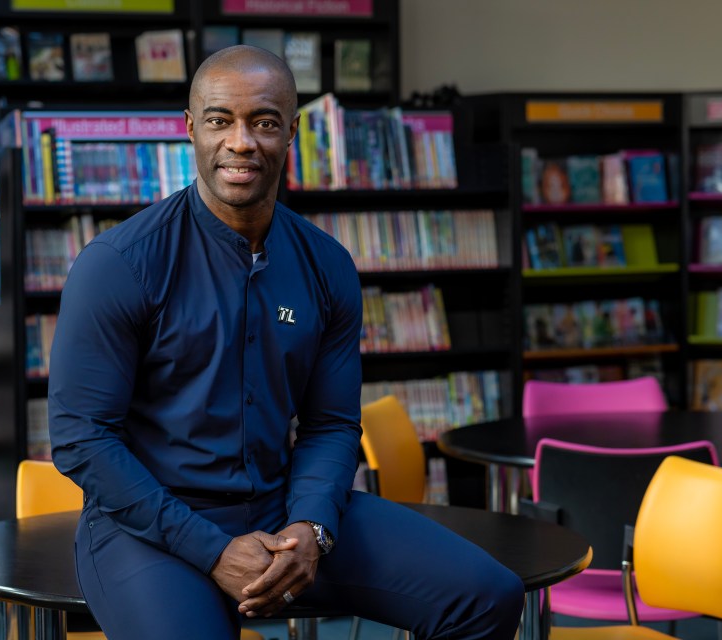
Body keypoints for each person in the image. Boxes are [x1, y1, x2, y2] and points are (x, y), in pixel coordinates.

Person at [49, 45, 524, 640]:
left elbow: (330, 424)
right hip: (149, 526)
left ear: (292, 131)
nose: (242, 142)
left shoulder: (327, 266)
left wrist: (312, 527)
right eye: (221, 120)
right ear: (191, 128)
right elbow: (81, 438)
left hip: (283, 509)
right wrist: (214, 551)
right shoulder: (119, 264)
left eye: (264, 122)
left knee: (488, 599)